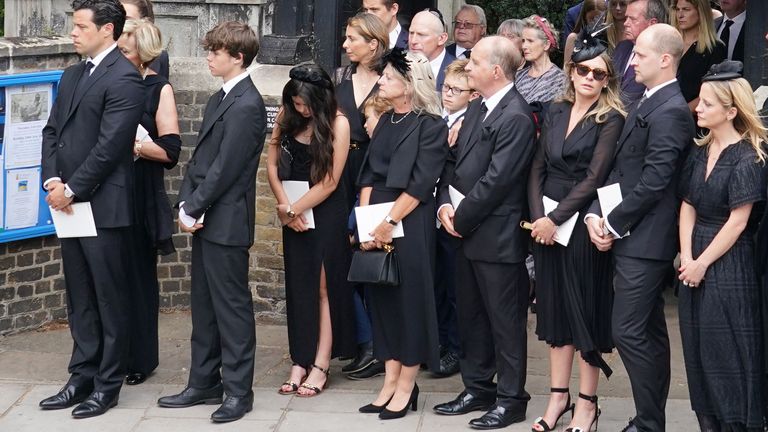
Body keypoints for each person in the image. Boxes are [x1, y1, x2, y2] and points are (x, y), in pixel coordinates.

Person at [584, 24, 695, 432]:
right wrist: (597, 213)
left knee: (627, 331)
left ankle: (649, 423)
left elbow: (655, 182)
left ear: (665, 59)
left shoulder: (671, 111)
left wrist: (611, 224)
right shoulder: (647, 101)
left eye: (641, 56)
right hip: (629, 235)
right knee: (646, 331)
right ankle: (651, 420)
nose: (631, 61)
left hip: (646, 243)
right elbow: (619, 170)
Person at [156, 21, 266, 423]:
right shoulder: (221, 97)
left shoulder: (247, 104)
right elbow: (200, 160)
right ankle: (204, 382)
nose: (208, 56)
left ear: (237, 57)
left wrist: (192, 207)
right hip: (206, 218)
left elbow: (226, 170)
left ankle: (239, 391)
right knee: (203, 307)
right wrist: (188, 201)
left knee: (232, 310)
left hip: (227, 222)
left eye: (216, 51)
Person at [39, 0, 144, 418]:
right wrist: (52, 182)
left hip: (102, 204)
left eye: (82, 26)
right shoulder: (72, 73)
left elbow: (111, 146)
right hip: (68, 202)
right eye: (74, 25)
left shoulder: (125, 78)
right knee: (79, 295)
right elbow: (52, 131)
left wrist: (73, 188)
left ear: (108, 30)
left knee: (108, 296)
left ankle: (107, 383)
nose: (74, 33)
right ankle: (81, 375)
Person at [434, 36, 537, 430]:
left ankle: (511, 399)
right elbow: (453, 161)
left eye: (474, 61)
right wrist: (444, 203)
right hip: (464, 229)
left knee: (505, 322)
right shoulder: (477, 107)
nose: (467, 66)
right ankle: (478, 387)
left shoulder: (515, 115)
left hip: (496, 237)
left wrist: (459, 219)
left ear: (496, 70)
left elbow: (498, 181)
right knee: (471, 315)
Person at [528, 24, 625, 432]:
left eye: (598, 73)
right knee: (553, 315)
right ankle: (557, 399)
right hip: (546, 224)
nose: (588, 78)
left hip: (581, 227)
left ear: (608, 80)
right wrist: (538, 220)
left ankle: (587, 404)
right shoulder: (553, 110)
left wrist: (554, 219)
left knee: (584, 312)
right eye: (583, 70)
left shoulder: (612, 118)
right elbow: (535, 167)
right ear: (570, 71)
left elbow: (594, 177)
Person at [356, 48, 447, 420]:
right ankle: (389, 381)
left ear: (409, 85)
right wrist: (365, 223)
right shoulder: (385, 122)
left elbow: (423, 183)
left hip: (408, 222)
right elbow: (368, 175)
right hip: (376, 219)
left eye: (390, 77)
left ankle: (407, 383)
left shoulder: (431, 126)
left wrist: (389, 223)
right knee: (383, 302)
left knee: (410, 301)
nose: (382, 81)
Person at [678, 60, 766, 432]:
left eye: (708, 104)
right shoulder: (700, 151)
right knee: (697, 352)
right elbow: (687, 205)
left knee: (727, 354)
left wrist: (702, 263)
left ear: (731, 111)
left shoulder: (749, 158)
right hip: (694, 258)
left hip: (729, 264)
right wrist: (686, 256)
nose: (698, 107)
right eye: (700, 100)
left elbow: (739, 221)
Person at [267, 64, 355, 398]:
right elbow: (272, 165)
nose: (300, 109)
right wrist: (284, 207)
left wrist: (294, 208)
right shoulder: (286, 116)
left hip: (325, 212)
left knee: (323, 287)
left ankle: (320, 363)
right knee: (298, 286)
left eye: (305, 104)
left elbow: (331, 181)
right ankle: (298, 361)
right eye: (295, 103)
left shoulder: (339, 123)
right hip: (293, 210)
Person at [117, 18, 181, 387]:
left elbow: (171, 151)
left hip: (140, 192)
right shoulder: (110, 83)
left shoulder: (158, 89)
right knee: (110, 277)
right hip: (107, 189)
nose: (121, 52)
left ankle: (140, 357)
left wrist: (137, 145)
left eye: (126, 47)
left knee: (139, 278)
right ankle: (112, 354)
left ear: (143, 53)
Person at [335, 12, 388, 380]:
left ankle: (376, 346)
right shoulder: (339, 76)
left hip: (374, 176)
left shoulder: (390, 81)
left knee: (369, 260)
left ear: (373, 42)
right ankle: (360, 341)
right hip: (339, 172)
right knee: (340, 259)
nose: (344, 44)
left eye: (352, 38)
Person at [432, 58, 476, 379]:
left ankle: (457, 349)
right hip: (434, 210)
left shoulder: (469, 123)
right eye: (445, 87)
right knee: (438, 285)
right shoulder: (440, 119)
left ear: (472, 95)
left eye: (455, 90)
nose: (447, 94)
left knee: (455, 286)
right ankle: (440, 344)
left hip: (456, 212)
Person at [672, 0, 727, 111]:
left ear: (701, 12)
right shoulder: (670, 42)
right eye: (678, 9)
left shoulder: (714, 48)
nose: (680, 15)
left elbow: (713, 89)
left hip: (692, 117)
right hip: (661, 111)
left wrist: (682, 112)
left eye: (686, 9)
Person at [613, 0, 668, 106]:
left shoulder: (662, 61)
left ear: (652, 23)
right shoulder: (622, 47)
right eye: (626, 18)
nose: (625, 23)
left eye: (632, 19)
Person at [516, 15, 567, 104]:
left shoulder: (560, 80)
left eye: (530, 41)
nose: (524, 46)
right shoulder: (518, 76)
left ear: (546, 45)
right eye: (523, 41)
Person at [408, 9, 455, 92]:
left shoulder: (460, 71)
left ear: (441, 39)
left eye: (421, 35)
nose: (413, 41)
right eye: (411, 33)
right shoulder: (397, 66)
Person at [120, 0, 169, 78]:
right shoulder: (99, 50)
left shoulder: (159, 57)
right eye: (116, 17)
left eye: (127, 20)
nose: (118, 23)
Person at [563, 0, 607, 65]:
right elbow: (566, 67)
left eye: (599, 18)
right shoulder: (574, 38)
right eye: (591, 18)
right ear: (584, 17)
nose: (596, 22)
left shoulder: (609, 38)